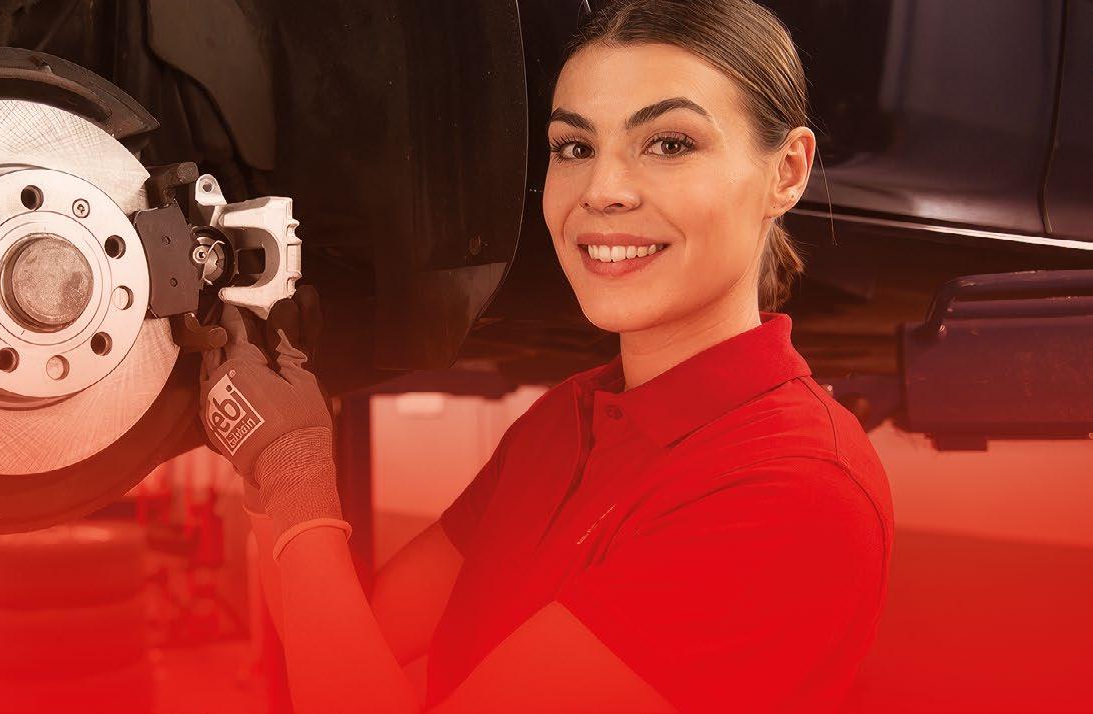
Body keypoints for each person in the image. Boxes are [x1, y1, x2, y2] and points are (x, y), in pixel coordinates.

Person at [197, 0, 893, 711]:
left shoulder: (795, 489)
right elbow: (348, 640)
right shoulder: (567, 420)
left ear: (787, 171)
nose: (602, 192)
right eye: (575, 148)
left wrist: (294, 467)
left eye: (669, 144)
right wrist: (265, 465)